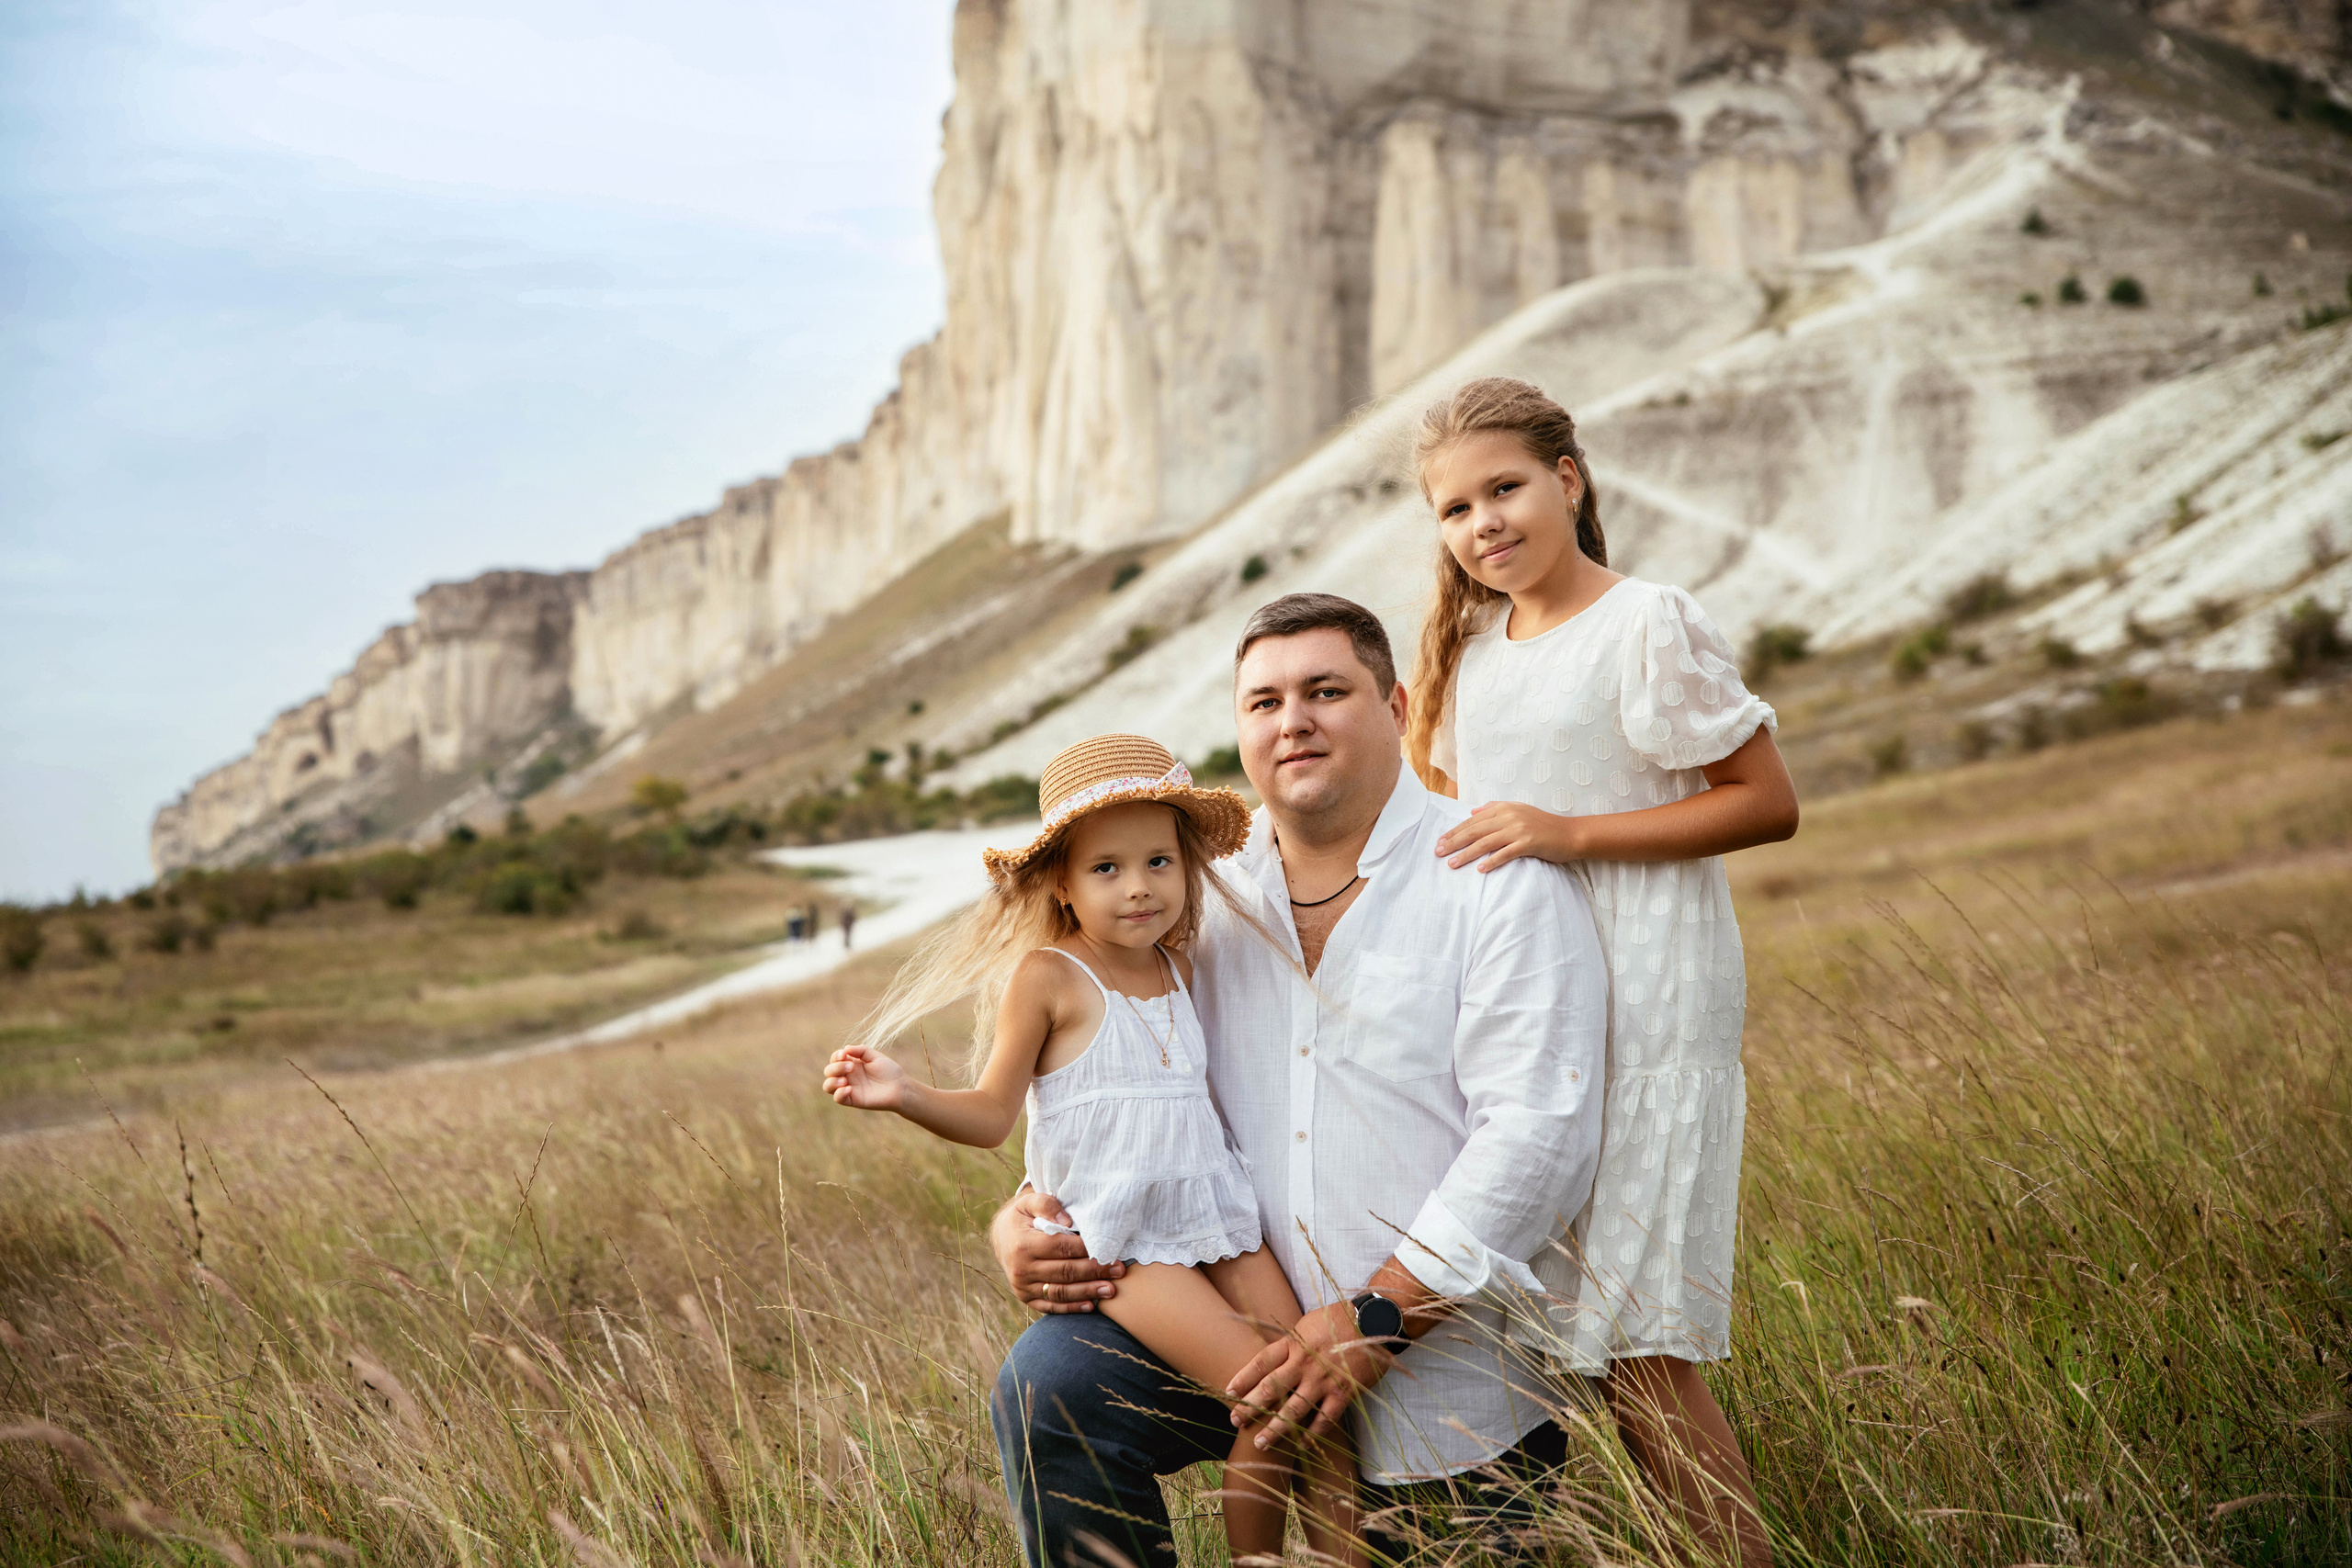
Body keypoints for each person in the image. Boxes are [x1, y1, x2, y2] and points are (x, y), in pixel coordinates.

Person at [989, 594, 1610, 1566]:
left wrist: (1381, 1312)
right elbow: (1115, 1090)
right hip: (1236, 1349)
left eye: (1326, 690)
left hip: (1445, 1381)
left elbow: (1540, 1137)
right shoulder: (1193, 902)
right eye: (1263, 702)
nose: (1293, 722)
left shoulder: (1495, 879)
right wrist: (1021, 1217)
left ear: (1395, 704)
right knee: (1050, 1384)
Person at [1408, 376, 1797, 1565]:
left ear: (1567, 478)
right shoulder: (1469, 652)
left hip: (1646, 1006)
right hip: (1528, 1018)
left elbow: (1767, 802)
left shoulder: (1647, 621)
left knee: (1638, 1350)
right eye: (1455, 506)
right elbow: (1456, 829)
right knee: (1541, 1335)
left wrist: (1569, 830)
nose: (1484, 523)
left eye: (1506, 487)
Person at [822, 735, 1363, 1563]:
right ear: (1062, 885)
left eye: (1157, 861)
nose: (1139, 886)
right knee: (1272, 1402)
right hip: (1127, 1243)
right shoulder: (1047, 975)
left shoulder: (1178, 960)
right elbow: (993, 1114)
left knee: (1325, 1407)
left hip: (1219, 1216)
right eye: (1106, 868)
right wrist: (905, 1093)